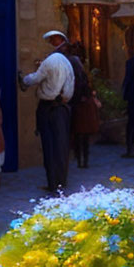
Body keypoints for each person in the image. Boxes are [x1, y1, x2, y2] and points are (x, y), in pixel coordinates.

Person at [20, 31, 74, 192]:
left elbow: (35, 78)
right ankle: (61, 180)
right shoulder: (67, 62)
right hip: (62, 107)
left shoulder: (51, 61)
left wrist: (23, 80)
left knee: (50, 146)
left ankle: (53, 182)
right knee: (62, 145)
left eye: (52, 40)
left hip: (50, 107)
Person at [68, 41, 99, 169]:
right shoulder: (81, 72)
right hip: (84, 104)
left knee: (78, 134)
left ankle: (80, 159)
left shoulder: (73, 68)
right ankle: (83, 160)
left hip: (78, 105)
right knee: (83, 135)